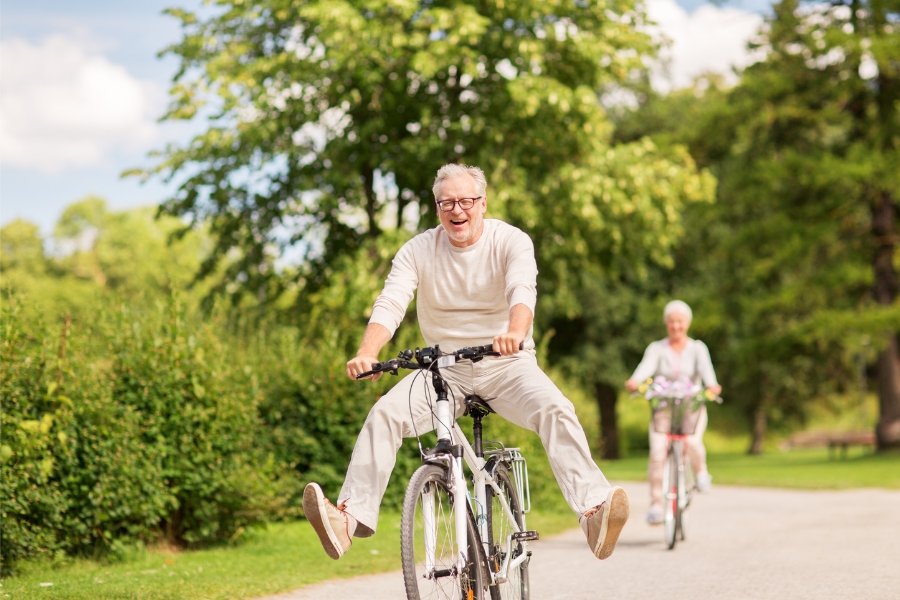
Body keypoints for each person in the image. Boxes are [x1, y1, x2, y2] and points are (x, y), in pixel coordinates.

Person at [303, 163, 629, 561]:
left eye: (466, 201)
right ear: (437, 208)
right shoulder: (418, 249)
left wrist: (515, 331)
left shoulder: (510, 240)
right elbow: (391, 302)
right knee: (384, 414)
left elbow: (522, 290)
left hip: (507, 364)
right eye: (446, 203)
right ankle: (347, 521)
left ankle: (593, 512)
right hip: (443, 370)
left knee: (556, 409)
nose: (457, 210)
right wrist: (367, 352)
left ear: (482, 203)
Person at [624, 300, 722, 525]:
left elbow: (708, 374)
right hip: (664, 408)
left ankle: (701, 473)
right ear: (666, 324)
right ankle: (657, 505)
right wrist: (635, 381)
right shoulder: (657, 348)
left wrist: (712, 386)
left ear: (687, 323)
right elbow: (645, 368)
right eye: (671, 322)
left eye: (680, 322)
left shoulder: (698, 348)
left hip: (691, 408)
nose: (676, 326)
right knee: (658, 453)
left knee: (692, 442)